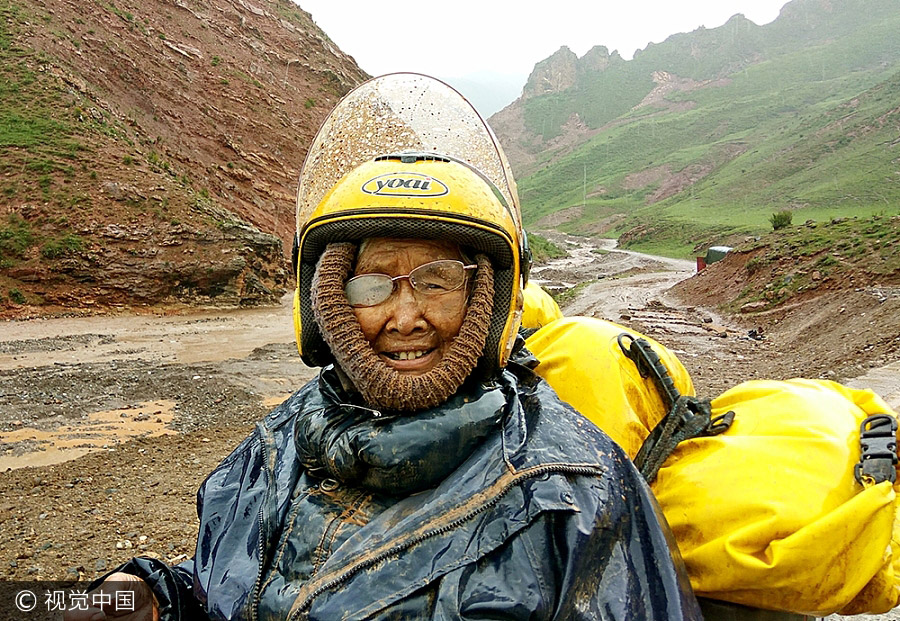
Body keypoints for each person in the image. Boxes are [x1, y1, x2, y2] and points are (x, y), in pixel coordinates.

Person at [68, 73, 701, 620]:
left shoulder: (576, 493)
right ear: (328, 301)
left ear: (488, 300)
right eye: (372, 285)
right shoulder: (278, 444)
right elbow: (232, 586)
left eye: (437, 281)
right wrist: (155, 594)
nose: (404, 318)